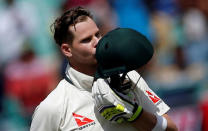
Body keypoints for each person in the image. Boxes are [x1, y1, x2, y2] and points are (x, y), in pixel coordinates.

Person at [30, 6, 177, 131]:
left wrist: (135, 115)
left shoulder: (129, 76)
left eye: (97, 35)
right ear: (67, 50)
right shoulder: (52, 108)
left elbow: (172, 128)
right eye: (86, 40)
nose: (97, 42)